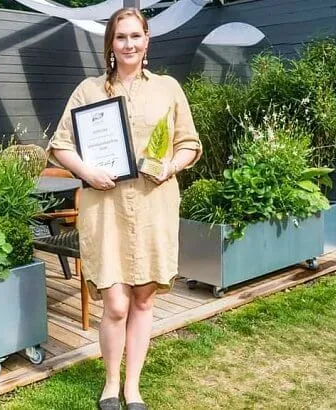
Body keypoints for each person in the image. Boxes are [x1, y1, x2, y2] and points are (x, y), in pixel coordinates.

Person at [47, 8, 202, 410]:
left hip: (154, 204)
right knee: (115, 303)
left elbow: (189, 143)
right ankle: (110, 384)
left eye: (136, 36)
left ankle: (132, 388)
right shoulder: (89, 91)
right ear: (110, 44)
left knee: (145, 300)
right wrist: (87, 171)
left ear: (147, 40)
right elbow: (60, 144)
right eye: (121, 37)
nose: (129, 44)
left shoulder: (168, 89)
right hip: (105, 205)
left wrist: (170, 164)